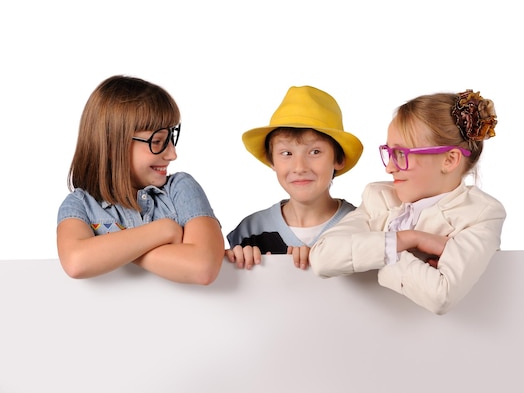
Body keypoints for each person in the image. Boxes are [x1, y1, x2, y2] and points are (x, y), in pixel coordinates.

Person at [309, 90, 506, 315]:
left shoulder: (481, 214)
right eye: (389, 153)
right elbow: (323, 257)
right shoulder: (378, 198)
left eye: (401, 154)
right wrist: (408, 240)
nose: (389, 167)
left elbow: (440, 295)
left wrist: (375, 254)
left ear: (449, 160)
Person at [56, 75, 224, 285]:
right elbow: (76, 262)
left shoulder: (181, 188)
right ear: (111, 145)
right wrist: (165, 230)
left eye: (171, 139)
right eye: (157, 141)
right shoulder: (80, 205)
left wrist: (108, 251)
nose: (172, 154)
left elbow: (203, 267)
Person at [225, 85, 363, 270]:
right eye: (287, 153)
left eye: (315, 151)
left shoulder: (361, 226)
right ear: (271, 160)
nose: (299, 167)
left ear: (338, 158)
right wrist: (234, 261)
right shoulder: (250, 231)